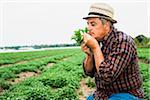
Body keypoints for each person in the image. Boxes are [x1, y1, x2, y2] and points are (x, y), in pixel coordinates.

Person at [81, 3, 144, 100]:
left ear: (106, 25)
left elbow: (107, 76)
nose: (89, 28)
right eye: (88, 24)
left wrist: (95, 48)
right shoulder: (98, 41)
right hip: (103, 94)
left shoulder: (122, 41)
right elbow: (89, 73)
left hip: (126, 94)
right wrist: (89, 55)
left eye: (93, 24)